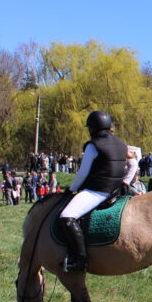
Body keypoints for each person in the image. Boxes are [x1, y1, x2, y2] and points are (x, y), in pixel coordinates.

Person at [59, 110, 128, 272]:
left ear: (92, 128)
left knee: (66, 216)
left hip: (98, 191)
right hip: (116, 190)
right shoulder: (121, 144)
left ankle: (80, 260)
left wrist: (72, 188)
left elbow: (83, 173)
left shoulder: (93, 145)